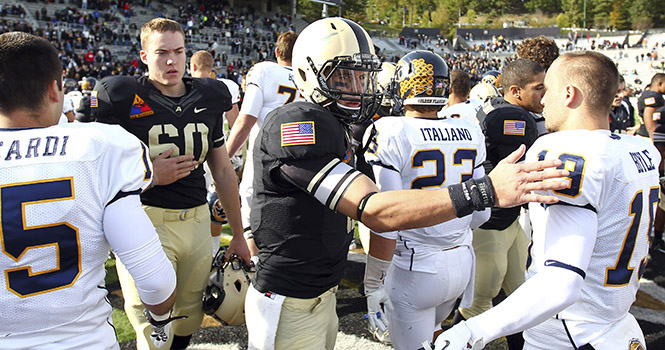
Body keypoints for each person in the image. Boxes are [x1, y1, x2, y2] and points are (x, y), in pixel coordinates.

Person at [243, 17, 569, 350]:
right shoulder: (297, 123)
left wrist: (374, 280)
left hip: (326, 291)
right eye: (342, 75)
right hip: (291, 296)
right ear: (305, 73)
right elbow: (375, 210)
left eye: (361, 75)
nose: (356, 87)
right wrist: (483, 190)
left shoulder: (338, 122)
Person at [429, 50, 657, 350]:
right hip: (616, 325)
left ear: (569, 94)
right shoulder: (639, 150)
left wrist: (471, 331)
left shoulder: (567, 152)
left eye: (547, 89)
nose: (543, 100)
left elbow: (561, 282)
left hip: (569, 332)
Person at [0, 31, 177, 349]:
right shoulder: (100, 145)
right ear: (56, 89)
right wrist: (161, 316)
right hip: (83, 339)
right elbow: (155, 281)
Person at [91, 18, 250, 350]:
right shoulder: (119, 96)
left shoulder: (209, 95)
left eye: (178, 51)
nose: (171, 60)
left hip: (195, 221)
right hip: (143, 220)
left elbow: (222, 172)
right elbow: (96, 169)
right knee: (153, 322)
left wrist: (237, 233)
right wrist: (148, 175)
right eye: (161, 52)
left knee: (189, 315)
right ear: (144, 56)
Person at [363, 50, 490, 350]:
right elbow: (481, 214)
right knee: (435, 336)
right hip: (461, 261)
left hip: (415, 268)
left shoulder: (389, 130)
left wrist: (373, 282)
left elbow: (389, 218)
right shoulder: (469, 129)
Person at [453, 58, 545, 350]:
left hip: (509, 222)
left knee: (522, 299)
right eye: (539, 88)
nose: (546, 94)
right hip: (490, 224)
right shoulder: (510, 119)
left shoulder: (500, 109)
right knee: (479, 305)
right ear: (516, 91)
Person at [224, 31, 300, 260]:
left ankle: (254, 270)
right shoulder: (306, 77)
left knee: (251, 219)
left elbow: (245, 120)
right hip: (297, 161)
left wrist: (224, 156)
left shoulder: (264, 70)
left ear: (277, 51)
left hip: (264, 158)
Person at [190, 49, 242, 254]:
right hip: (218, 152)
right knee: (215, 205)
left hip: (192, 152)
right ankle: (211, 252)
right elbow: (235, 122)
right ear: (213, 68)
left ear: (192, 66)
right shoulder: (226, 86)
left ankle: (200, 251)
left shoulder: (185, 86)